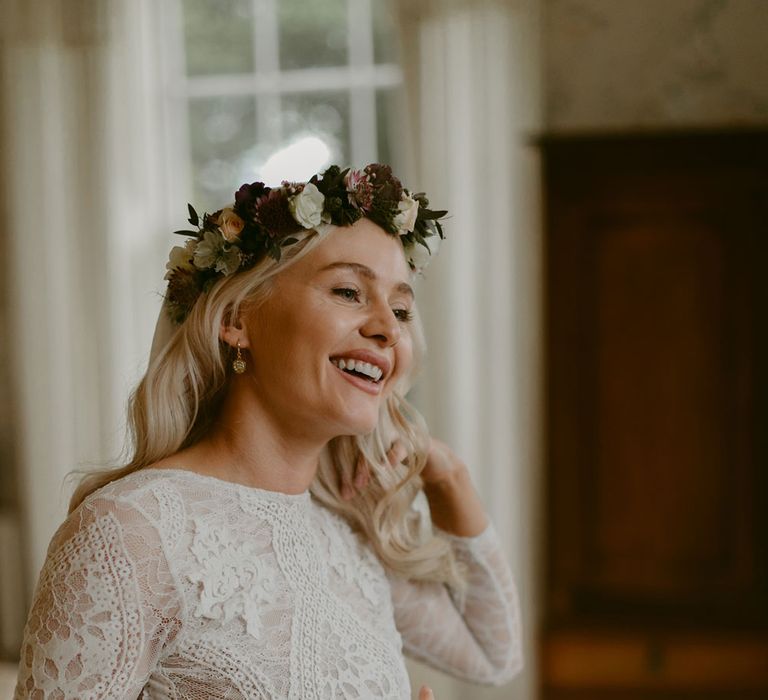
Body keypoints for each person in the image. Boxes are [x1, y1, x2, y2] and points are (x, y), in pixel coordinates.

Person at [13, 164, 523, 699]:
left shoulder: (348, 536)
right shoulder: (133, 531)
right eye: (349, 291)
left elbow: (494, 655)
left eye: (400, 309)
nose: (387, 329)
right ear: (237, 318)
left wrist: (447, 476)